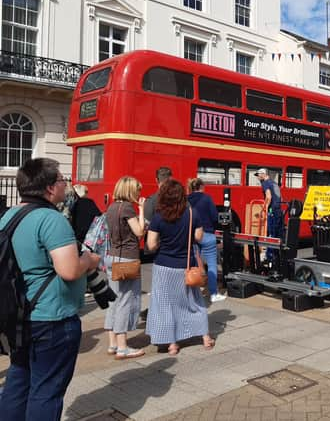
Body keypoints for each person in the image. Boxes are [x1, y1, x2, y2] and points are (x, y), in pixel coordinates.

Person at [0, 158, 100, 420]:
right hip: (52, 318)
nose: (65, 185)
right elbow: (68, 270)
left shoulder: (8, 215)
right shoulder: (51, 220)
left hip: (19, 315)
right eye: (61, 180)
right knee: (47, 391)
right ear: (48, 188)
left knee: (18, 381)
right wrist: (89, 260)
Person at [146, 179, 213, 355]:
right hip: (187, 266)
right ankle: (205, 337)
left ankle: (172, 344)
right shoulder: (192, 213)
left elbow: (151, 245)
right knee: (194, 300)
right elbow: (198, 237)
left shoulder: (158, 217)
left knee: (165, 305)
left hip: (164, 266)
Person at [104, 176, 146, 360]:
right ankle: (123, 347)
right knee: (124, 301)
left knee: (113, 300)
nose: (138, 194)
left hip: (111, 256)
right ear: (130, 191)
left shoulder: (112, 207)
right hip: (126, 258)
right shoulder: (128, 207)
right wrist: (142, 211)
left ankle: (113, 343)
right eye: (137, 190)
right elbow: (139, 231)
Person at [187, 178, 225, 302]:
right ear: (201, 186)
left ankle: (194, 293)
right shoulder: (207, 198)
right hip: (207, 233)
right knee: (212, 265)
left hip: (192, 236)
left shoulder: (187, 199)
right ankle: (214, 294)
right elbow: (214, 216)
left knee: (194, 264)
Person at [255, 168, 282, 261]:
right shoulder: (274, 183)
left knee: (271, 234)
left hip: (272, 211)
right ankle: (277, 256)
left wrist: (264, 208)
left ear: (263, 174)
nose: (257, 177)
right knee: (278, 234)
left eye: (258, 175)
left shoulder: (265, 183)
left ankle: (269, 256)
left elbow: (268, 197)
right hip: (279, 210)